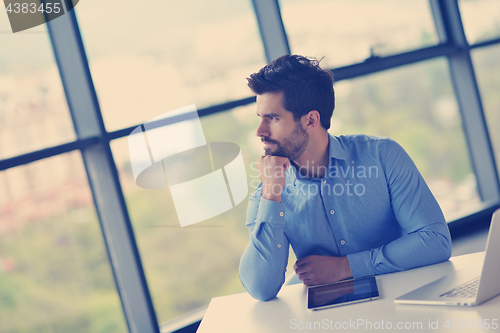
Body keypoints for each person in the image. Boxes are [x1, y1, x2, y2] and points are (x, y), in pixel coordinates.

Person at [238, 54, 452, 301]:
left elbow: (436, 241)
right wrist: (272, 194)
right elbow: (260, 289)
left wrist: (345, 267)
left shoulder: (382, 156)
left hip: (404, 303)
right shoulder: (266, 196)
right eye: (260, 118)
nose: (260, 132)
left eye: (272, 119)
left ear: (311, 120)